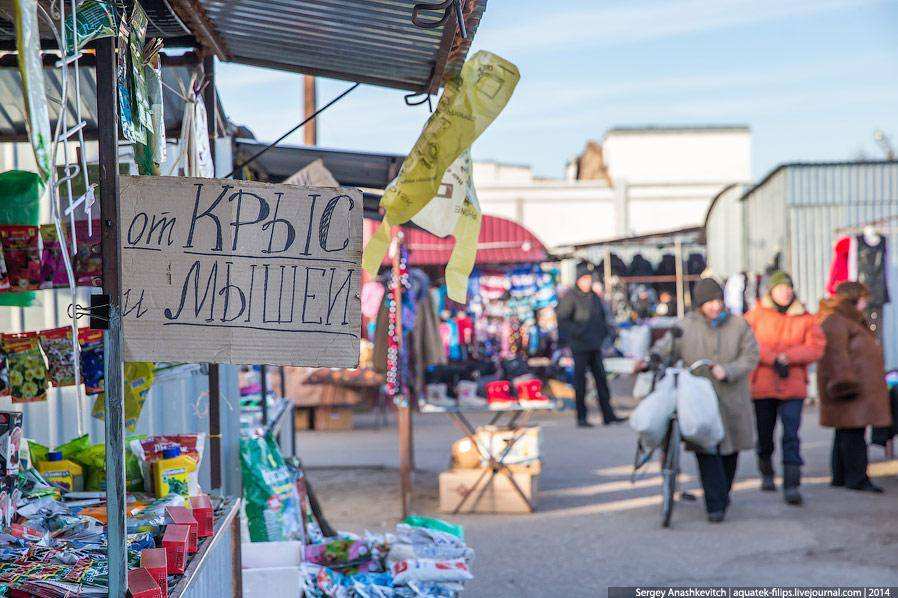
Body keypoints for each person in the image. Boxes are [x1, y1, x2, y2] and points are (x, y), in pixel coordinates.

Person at [651, 277, 759, 522]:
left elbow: (751, 355)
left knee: (730, 452)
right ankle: (715, 504)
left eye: (718, 300)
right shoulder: (686, 325)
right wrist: (654, 357)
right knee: (706, 448)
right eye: (709, 302)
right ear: (699, 304)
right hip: (698, 398)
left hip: (731, 397)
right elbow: (666, 346)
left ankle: (723, 493)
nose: (715, 306)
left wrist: (728, 370)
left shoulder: (739, 325)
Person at [744, 271, 826, 505]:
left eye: (788, 288)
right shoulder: (757, 315)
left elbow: (816, 347)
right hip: (763, 384)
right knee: (765, 433)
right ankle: (766, 469)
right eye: (781, 288)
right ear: (771, 291)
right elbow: (747, 342)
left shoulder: (806, 318)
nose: (786, 292)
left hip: (793, 384)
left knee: (791, 434)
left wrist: (788, 357)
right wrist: (772, 359)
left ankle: (792, 484)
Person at [817, 281, 892, 493]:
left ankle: (842, 476)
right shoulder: (838, 322)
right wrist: (844, 383)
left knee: (847, 433)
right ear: (854, 298)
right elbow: (836, 356)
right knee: (853, 434)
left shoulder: (849, 321)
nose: (866, 302)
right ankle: (857, 477)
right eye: (864, 298)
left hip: (854, 388)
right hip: (850, 389)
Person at [557, 262, 625, 427]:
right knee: (580, 383)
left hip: (595, 346)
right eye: (584, 279)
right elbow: (562, 319)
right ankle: (581, 417)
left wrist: (606, 334)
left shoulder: (594, 297)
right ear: (578, 280)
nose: (587, 282)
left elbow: (601, 317)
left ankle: (608, 415)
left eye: (589, 279)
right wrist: (577, 332)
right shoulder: (570, 297)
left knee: (601, 381)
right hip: (579, 347)